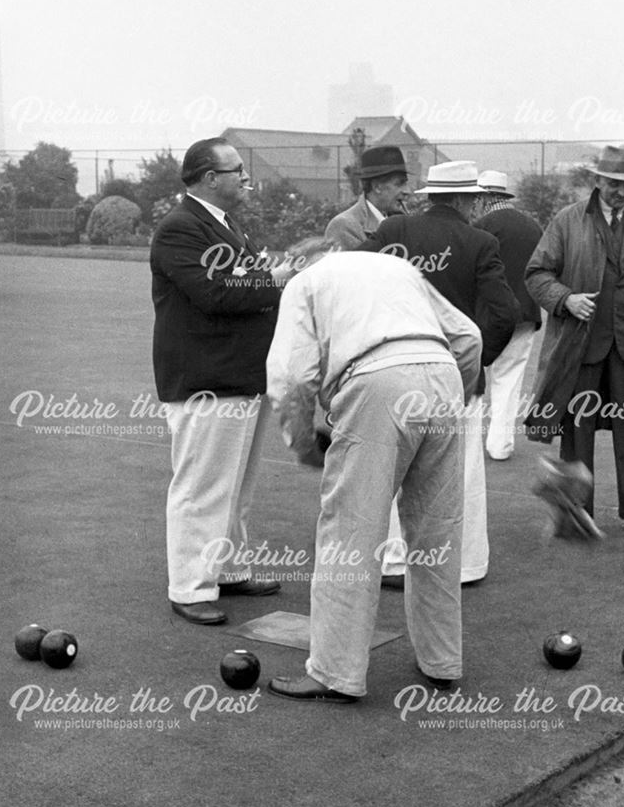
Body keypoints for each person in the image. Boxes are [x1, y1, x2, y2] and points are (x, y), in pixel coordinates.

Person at [265, 250, 482, 702]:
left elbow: (291, 377)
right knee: (436, 530)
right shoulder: (400, 268)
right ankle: (442, 662)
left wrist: (307, 447)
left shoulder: (303, 283)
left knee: (350, 533)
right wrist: (450, 396)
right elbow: (468, 337)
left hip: (376, 383)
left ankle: (334, 673)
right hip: (443, 376)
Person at [353, 161, 518, 584]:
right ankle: (460, 565)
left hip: (392, 370)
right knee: (458, 475)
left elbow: (353, 282)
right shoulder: (480, 242)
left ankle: (391, 561)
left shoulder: (393, 231)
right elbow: (503, 314)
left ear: (432, 196)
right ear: (465, 199)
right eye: (475, 198)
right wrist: (473, 365)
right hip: (453, 374)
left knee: (390, 466)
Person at [150, 137, 283, 625]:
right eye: (237, 172)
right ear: (209, 178)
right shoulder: (180, 228)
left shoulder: (223, 225)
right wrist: (275, 279)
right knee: (202, 487)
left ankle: (228, 569)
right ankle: (189, 585)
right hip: (206, 379)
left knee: (236, 487)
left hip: (242, 375)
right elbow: (214, 293)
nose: (246, 179)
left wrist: (264, 276)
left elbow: (240, 282)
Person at [524, 144, 624, 536]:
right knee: (577, 428)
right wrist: (566, 299)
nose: (620, 190)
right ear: (597, 180)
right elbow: (537, 274)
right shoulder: (568, 221)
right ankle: (573, 511)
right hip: (580, 346)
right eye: (612, 182)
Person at [323, 144, 411, 585]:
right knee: (364, 464)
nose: (405, 190)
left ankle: (388, 556)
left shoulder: (407, 223)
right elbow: (347, 294)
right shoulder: (345, 227)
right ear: (374, 187)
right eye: (398, 183)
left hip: (401, 353)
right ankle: (364, 558)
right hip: (360, 356)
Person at [474, 170, 543, 460]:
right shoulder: (533, 227)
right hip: (526, 313)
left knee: (473, 379)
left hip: (486, 314)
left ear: (486, 196)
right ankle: (500, 445)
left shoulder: (479, 226)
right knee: (510, 378)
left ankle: (467, 444)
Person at [324, 144, 409, 250]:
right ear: (377, 187)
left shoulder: (403, 222)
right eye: (399, 184)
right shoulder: (344, 227)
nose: (407, 191)